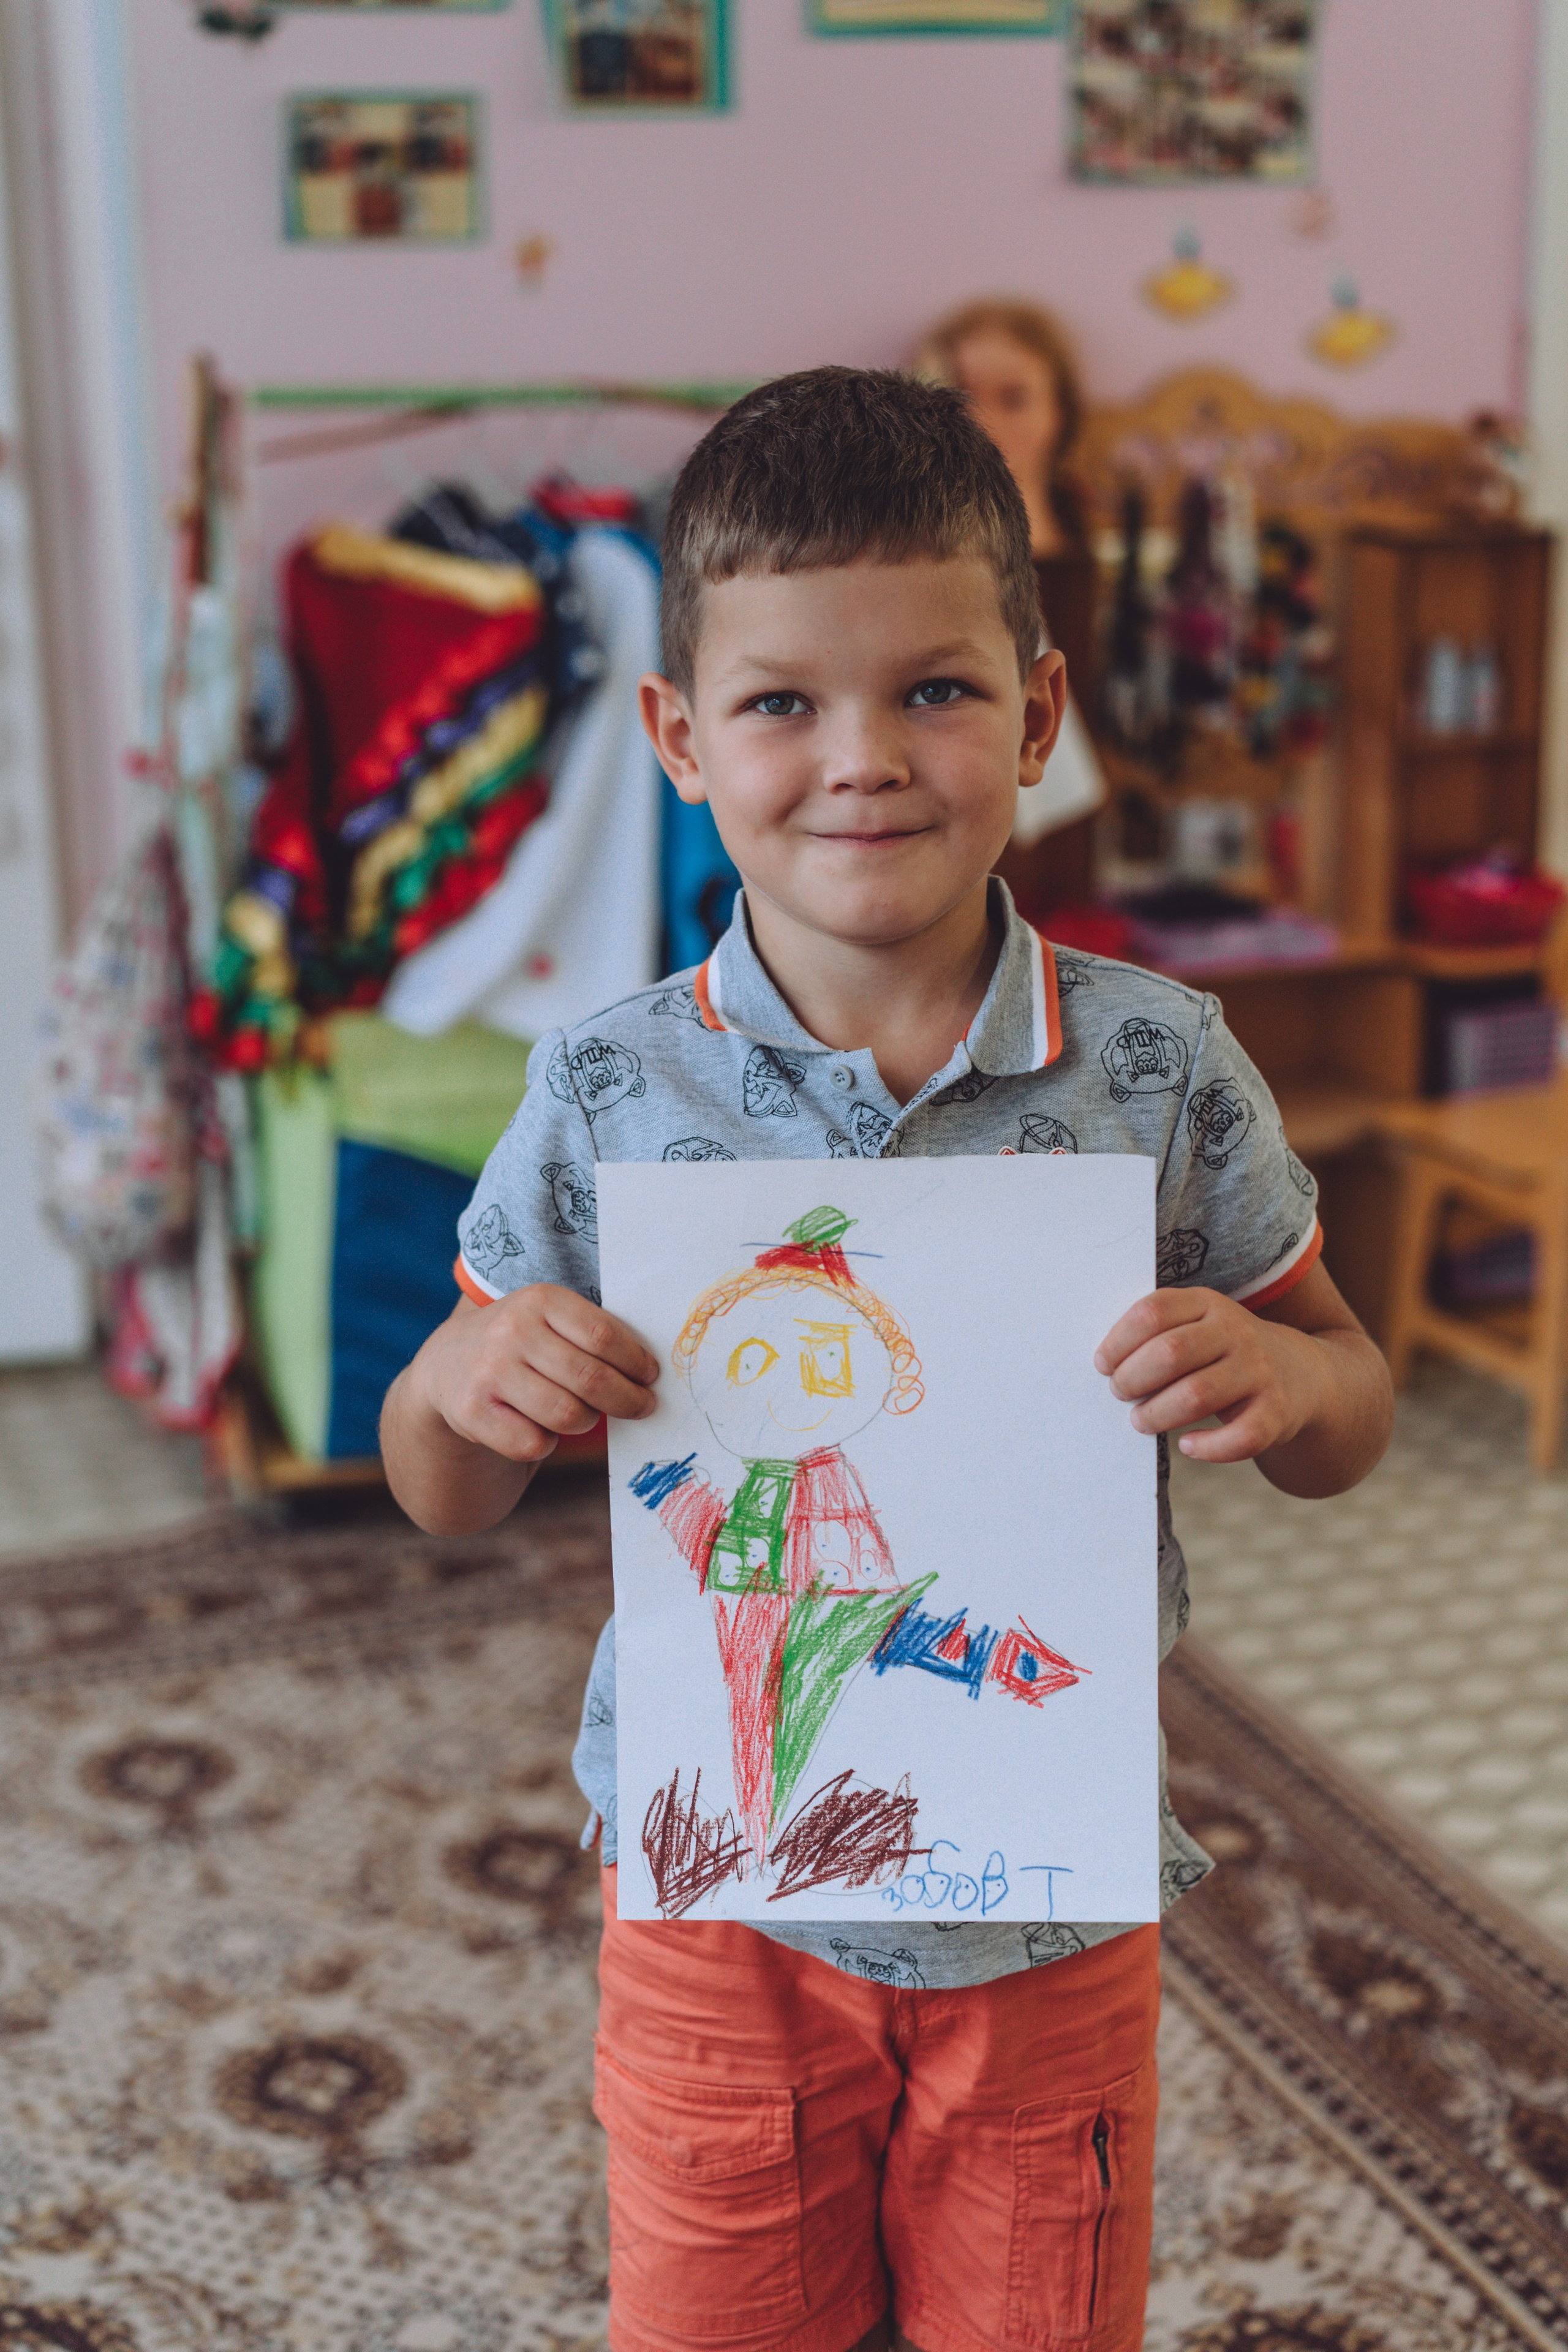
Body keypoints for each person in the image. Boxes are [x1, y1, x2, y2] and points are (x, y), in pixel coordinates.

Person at [381, 367, 1393, 2352]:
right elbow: (442, 1474)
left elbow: (1348, 1402)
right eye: (781, 703)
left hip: (1049, 1907)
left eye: (934, 691)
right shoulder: (602, 1087)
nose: (861, 760)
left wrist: (1285, 1391)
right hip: (715, 1913)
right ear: (680, 737)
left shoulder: (1162, 1067)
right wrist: (456, 1395)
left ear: (1036, 712)